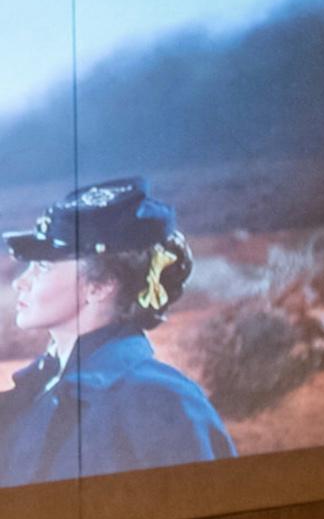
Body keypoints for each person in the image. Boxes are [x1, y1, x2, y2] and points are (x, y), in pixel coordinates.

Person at [0, 175, 236, 485]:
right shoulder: (37, 389)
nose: (21, 282)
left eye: (43, 267)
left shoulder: (163, 403)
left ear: (101, 286)